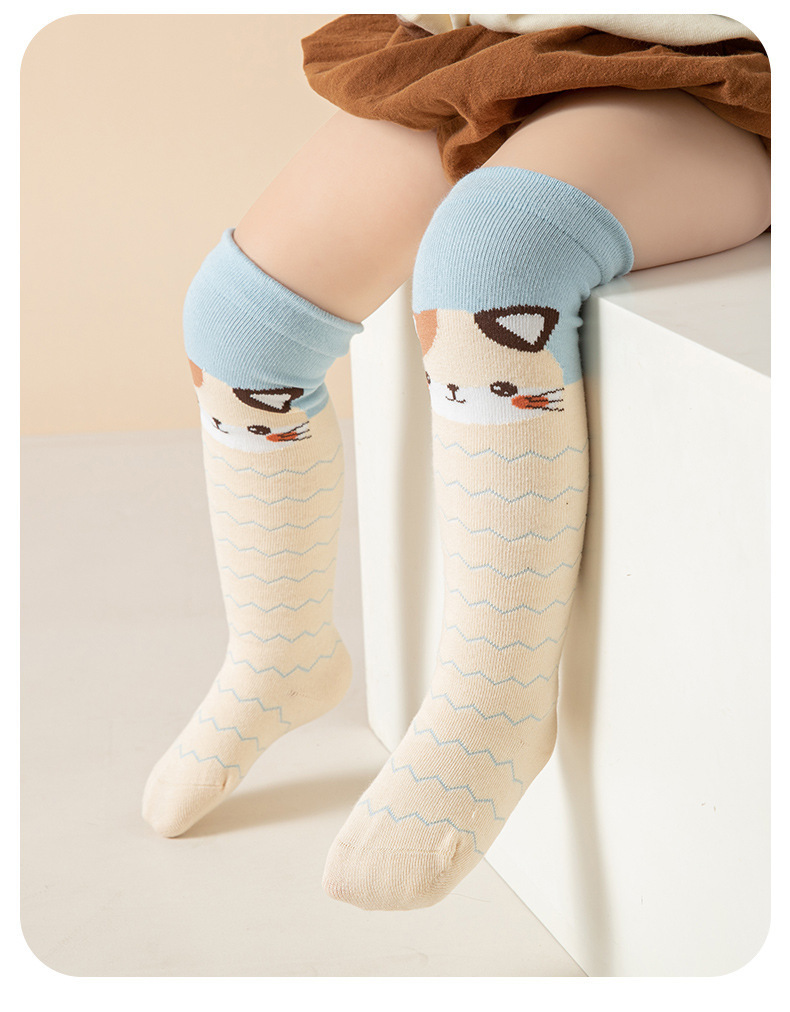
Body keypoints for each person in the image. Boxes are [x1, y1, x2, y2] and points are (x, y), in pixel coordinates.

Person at [142, 13, 770, 911]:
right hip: (497, 47)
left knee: (489, 267)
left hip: (706, 67)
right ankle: (278, 651)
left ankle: (492, 705)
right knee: (234, 325)